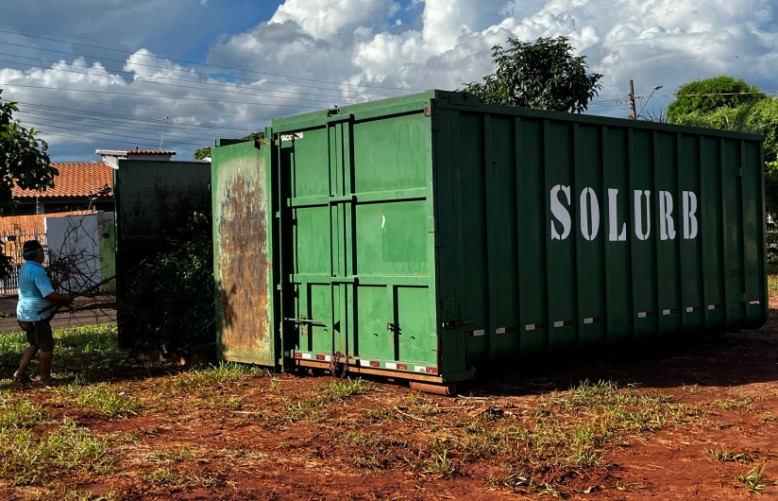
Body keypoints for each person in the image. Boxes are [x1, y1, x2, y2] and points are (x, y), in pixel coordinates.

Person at [13, 240, 73, 383]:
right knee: (46, 347)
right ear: (37, 254)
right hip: (36, 315)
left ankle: (19, 373)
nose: (43, 255)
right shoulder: (37, 270)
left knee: (35, 344)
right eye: (42, 252)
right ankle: (45, 377)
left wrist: (59, 280)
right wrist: (65, 299)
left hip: (24, 314)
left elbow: (43, 288)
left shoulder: (25, 268)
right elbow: (49, 294)